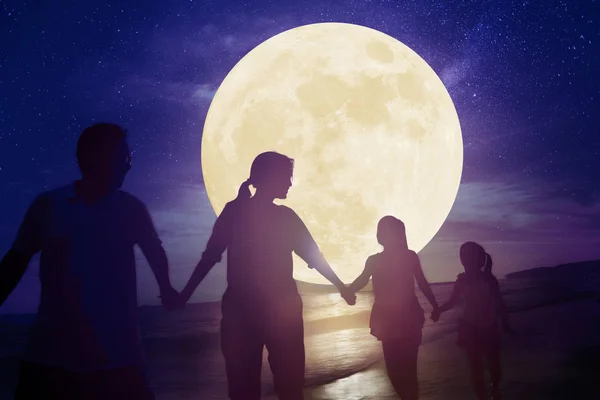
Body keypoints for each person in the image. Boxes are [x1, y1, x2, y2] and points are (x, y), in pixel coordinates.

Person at [0, 123, 179, 399]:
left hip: (119, 354)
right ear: (97, 157)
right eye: (125, 158)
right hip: (51, 356)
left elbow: (155, 251)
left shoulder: (131, 209)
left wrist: (166, 288)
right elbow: (15, 261)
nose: (128, 166)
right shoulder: (50, 205)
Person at [177, 151, 356, 400]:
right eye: (286, 176)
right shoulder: (264, 215)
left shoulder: (238, 212)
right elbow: (314, 257)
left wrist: (185, 294)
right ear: (267, 177)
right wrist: (341, 286)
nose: (290, 183)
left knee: (248, 389)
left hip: (249, 313)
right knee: (287, 388)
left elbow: (210, 257)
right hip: (272, 313)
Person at [349, 216, 439, 400]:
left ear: (398, 234)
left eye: (388, 230)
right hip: (386, 320)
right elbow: (363, 279)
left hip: (408, 318)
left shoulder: (409, 256)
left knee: (408, 371)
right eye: (381, 230)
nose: (383, 234)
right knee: (393, 373)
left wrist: (435, 306)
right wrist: (348, 290)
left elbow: (422, 282)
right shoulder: (373, 260)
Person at [431, 242, 513, 400]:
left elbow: (499, 302)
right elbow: (453, 301)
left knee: (494, 367)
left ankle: (495, 390)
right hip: (469, 328)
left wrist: (505, 322)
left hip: (489, 326)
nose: (466, 260)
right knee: (476, 369)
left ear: (479, 259)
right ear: (462, 260)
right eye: (464, 256)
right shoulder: (461, 281)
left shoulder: (489, 280)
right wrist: (438, 310)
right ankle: (481, 396)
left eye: (470, 256)